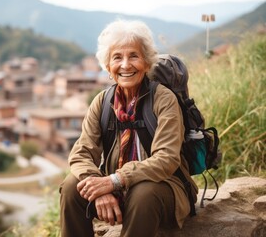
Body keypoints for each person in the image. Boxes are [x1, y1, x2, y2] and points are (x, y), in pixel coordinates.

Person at [59, 19, 198, 237]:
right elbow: (81, 152)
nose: (125, 65)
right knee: (71, 186)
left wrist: (114, 180)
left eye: (134, 56)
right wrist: (97, 189)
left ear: (147, 62)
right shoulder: (102, 102)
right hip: (118, 190)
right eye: (117, 57)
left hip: (164, 189)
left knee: (142, 193)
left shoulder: (163, 99)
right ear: (108, 66)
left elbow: (167, 158)